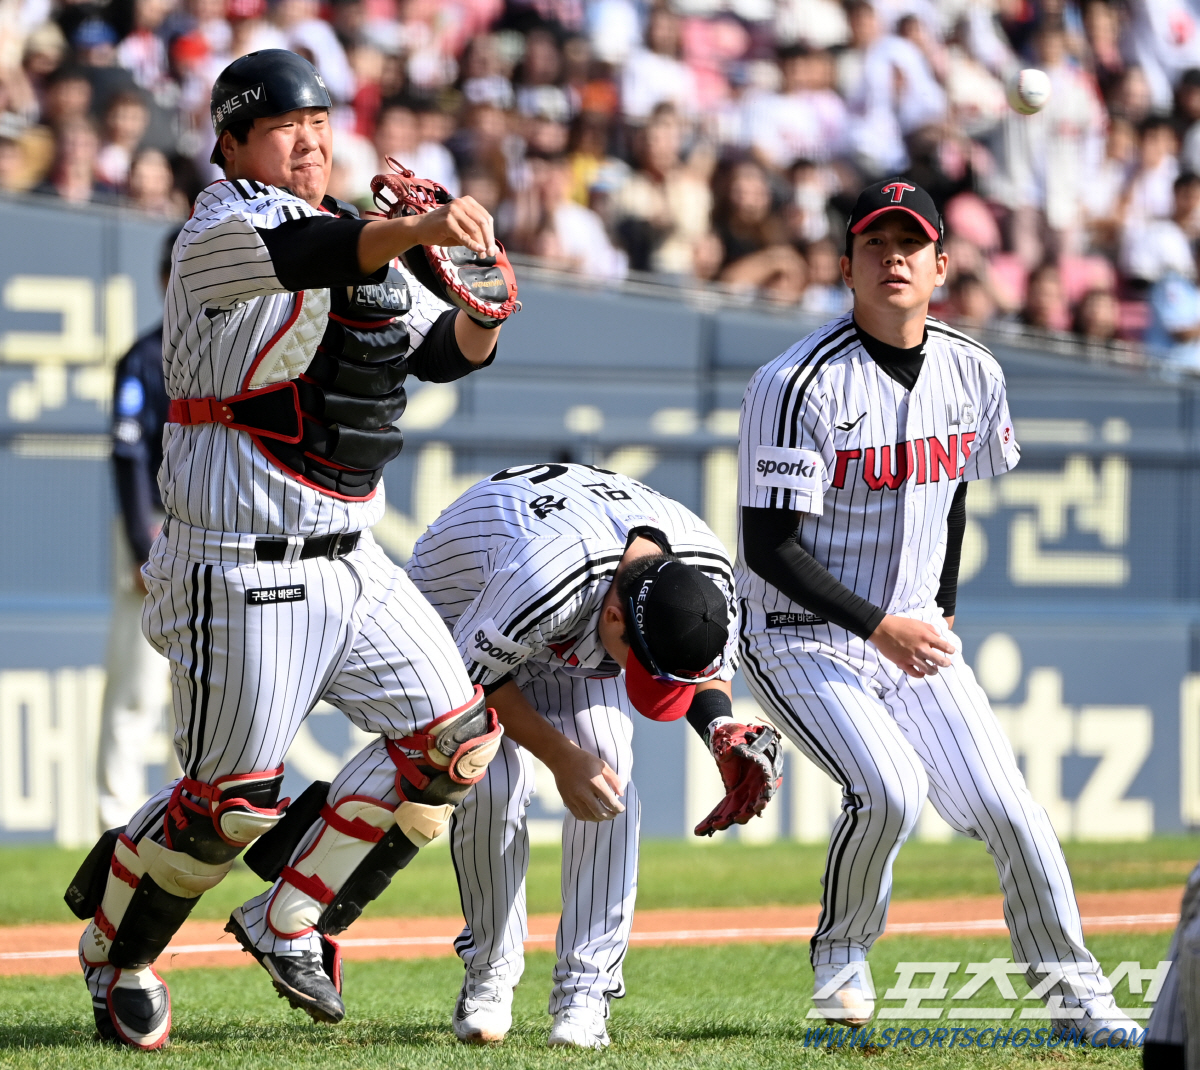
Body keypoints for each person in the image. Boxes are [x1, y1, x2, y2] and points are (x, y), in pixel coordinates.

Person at [64, 49, 511, 1050]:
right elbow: (317, 255)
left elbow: (429, 353)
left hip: (352, 557)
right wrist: (419, 227)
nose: (308, 138)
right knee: (227, 810)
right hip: (239, 560)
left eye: (319, 118)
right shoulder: (219, 223)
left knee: (456, 742)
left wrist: (482, 317)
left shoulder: (362, 228)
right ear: (232, 142)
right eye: (283, 124)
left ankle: (287, 917)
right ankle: (114, 953)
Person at [734, 177, 1139, 1043]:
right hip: (797, 635)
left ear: (941, 266)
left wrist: (939, 611)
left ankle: (1079, 999)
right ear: (846, 267)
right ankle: (841, 958)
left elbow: (952, 496)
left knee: (1010, 809)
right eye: (875, 245)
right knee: (889, 788)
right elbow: (769, 546)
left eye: (909, 244)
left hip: (912, 630)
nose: (893, 258)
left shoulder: (973, 369)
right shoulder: (794, 381)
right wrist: (882, 625)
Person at [403, 462, 773, 1049]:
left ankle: (585, 992)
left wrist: (720, 729)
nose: (645, 683)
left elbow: (704, 673)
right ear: (614, 618)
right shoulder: (547, 575)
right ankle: (490, 973)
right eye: (642, 667)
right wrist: (557, 755)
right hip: (464, 609)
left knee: (610, 775)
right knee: (487, 781)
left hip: (567, 611)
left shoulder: (705, 583)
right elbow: (469, 681)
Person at [96, 229, 176, 831]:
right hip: (153, 531)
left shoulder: (229, 360)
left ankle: (198, 823)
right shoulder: (145, 357)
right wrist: (139, 545)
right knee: (136, 693)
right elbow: (127, 456)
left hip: (213, 542)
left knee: (204, 694)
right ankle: (114, 822)